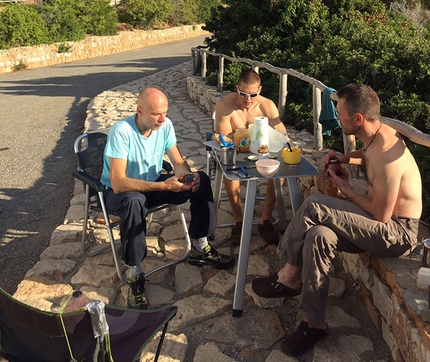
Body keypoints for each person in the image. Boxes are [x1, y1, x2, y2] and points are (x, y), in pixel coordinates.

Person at [251, 83, 422, 357]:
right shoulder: (374, 137)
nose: (337, 117)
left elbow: (381, 215)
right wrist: (344, 158)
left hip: (395, 233)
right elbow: (367, 158)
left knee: (315, 205)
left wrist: (347, 190)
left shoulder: (389, 154)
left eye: (340, 113)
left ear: (358, 119)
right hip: (375, 222)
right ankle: (313, 322)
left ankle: (288, 274)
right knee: (319, 234)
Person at [101, 87, 235, 310]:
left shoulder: (166, 125)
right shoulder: (121, 131)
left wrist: (188, 177)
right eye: (156, 113)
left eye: (165, 112)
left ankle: (200, 248)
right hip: (121, 194)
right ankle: (135, 273)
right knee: (135, 201)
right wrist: (163, 185)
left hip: (153, 185)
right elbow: (118, 182)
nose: (162, 118)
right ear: (140, 110)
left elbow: (178, 161)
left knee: (201, 179)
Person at [215, 68, 288, 245]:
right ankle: (238, 220)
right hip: (237, 155)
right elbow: (225, 139)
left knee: (279, 173)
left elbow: (282, 134)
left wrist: (247, 135)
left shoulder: (267, 105)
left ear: (260, 90)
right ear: (237, 88)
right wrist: (254, 134)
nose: (248, 99)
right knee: (230, 169)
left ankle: (265, 219)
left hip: (262, 153)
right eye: (243, 94)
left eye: (253, 94)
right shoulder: (225, 106)